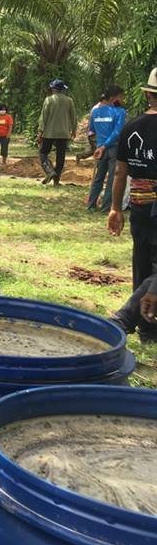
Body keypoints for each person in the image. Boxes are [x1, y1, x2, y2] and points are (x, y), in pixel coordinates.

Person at [107, 67, 157, 343]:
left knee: (142, 265)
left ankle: (147, 330)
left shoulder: (131, 127)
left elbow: (120, 173)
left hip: (138, 205)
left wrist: (115, 208)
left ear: (149, 95)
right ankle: (128, 319)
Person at [87, 86, 126, 211]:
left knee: (98, 177)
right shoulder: (120, 112)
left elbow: (92, 130)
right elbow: (117, 132)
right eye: (121, 97)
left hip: (100, 149)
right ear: (113, 98)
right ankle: (106, 207)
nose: (123, 100)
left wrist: (100, 145)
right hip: (113, 148)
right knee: (112, 179)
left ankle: (91, 205)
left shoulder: (95, 112)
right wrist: (105, 146)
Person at [37, 79, 77, 186]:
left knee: (43, 153)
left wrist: (40, 132)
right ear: (63, 90)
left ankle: (49, 171)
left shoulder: (48, 100)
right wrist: (73, 130)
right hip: (63, 133)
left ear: (53, 89)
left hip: (49, 132)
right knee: (60, 157)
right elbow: (73, 117)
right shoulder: (69, 100)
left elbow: (43, 117)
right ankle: (56, 181)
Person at [76, 93, 106, 162]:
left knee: (93, 150)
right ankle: (99, 165)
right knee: (98, 150)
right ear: (104, 100)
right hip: (94, 133)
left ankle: (80, 155)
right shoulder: (97, 108)